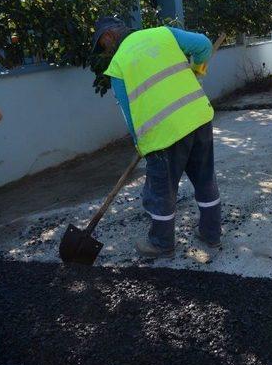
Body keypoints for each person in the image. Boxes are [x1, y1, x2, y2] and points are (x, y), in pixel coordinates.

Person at [92, 17, 221, 258]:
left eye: (102, 45)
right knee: (205, 179)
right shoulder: (164, 34)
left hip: (164, 134)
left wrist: (139, 143)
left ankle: (162, 243)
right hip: (198, 117)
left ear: (109, 36)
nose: (104, 51)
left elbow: (129, 112)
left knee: (161, 190)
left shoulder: (119, 64)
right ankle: (212, 234)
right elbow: (204, 45)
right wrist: (199, 68)